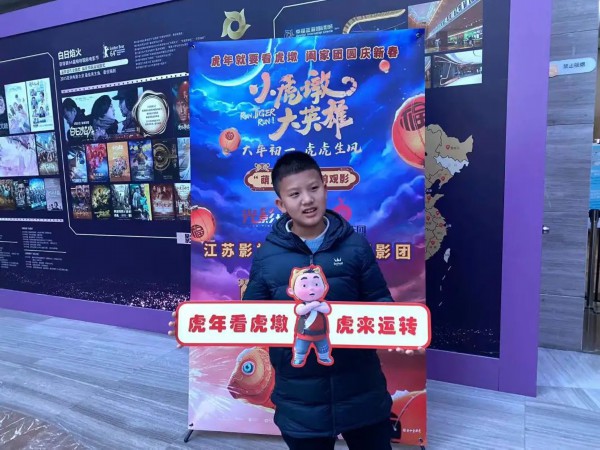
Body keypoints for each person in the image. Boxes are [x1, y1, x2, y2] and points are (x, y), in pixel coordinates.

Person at [169, 152, 422, 450]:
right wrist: (197, 329)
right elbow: (250, 317)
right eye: (295, 194)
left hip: (361, 392)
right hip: (299, 401)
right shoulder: (267, 256)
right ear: (281, 204)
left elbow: (379, 300)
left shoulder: (355, 246)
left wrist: (401, 330)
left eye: (314, 188)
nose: (307, 200)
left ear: (325, 189)